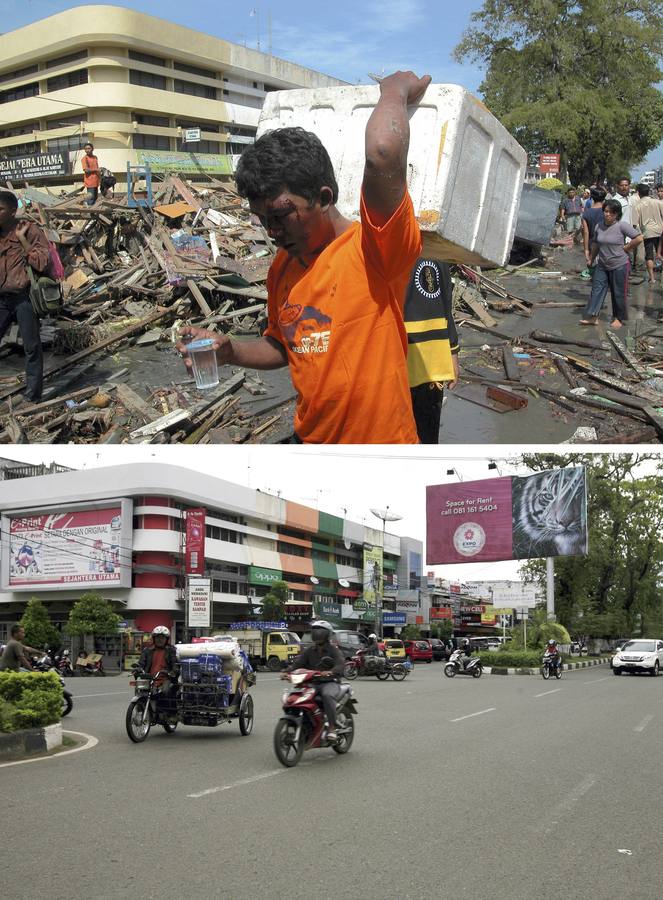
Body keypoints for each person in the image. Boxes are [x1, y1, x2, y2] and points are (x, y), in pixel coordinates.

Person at [177, 70, 431, 444]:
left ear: (324, 198)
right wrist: (230, 351)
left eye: (281, 215)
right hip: (310, 443)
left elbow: (383, 153)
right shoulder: (283, 268)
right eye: (263, 220)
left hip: (380, 452)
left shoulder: (374, 249)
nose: (272, 231)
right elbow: (284, 346)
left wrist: (395, 91)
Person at [401, 257, 459, 443]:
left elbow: (446, 306)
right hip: (406, 364)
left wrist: (453, 352)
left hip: (428, 368)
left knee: (425, 437)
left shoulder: (437, 254)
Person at [0, 189, 50, 402]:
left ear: (12, 211)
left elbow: (42, 262)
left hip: (24, 298)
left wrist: (22, 240)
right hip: (1, 299)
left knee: (31, 347)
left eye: (0, 209)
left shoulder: (29, 231)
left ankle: (33, 396)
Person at [580, 198, 643, 328]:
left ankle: (618, 318)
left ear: (617, 214)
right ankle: (593, 316)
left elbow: (638, 238)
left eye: (611, 212)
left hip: (619, 265)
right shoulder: (599, 225)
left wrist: (626, 248)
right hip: (602, 264)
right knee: (596, 290)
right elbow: (596, 244)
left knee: (618, 292)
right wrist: (591, 258)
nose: (608, 214)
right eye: (606, 211)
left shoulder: (622, 225)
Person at [283, 619, 344, 741]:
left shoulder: (333, 650)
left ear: (326, 635)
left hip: (330, 682)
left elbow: (340, 665)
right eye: (315, 632)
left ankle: (331, 728)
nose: (317, 634)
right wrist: (287, 672)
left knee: (327, 695)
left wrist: (331, 672)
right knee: (296, 696)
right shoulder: (309, 651)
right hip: (312, 683)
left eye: (320, 632)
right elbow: (298, 663)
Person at [633, 183, 663, 284]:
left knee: (649, 255)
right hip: (660, 231)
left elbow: (634, 224)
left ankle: (652, 278)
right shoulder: (658, 202)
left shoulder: (637, 205)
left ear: (638, 193)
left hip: (647, 233)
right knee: (661, 253)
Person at [581, 187, 606, 276]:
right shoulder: (607, 212)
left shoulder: (586, 214)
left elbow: (586, 233)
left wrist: (586, 250)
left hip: (593, 246)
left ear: (591, 197)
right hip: (607, 246)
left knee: (596, 275)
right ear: (604, 198)